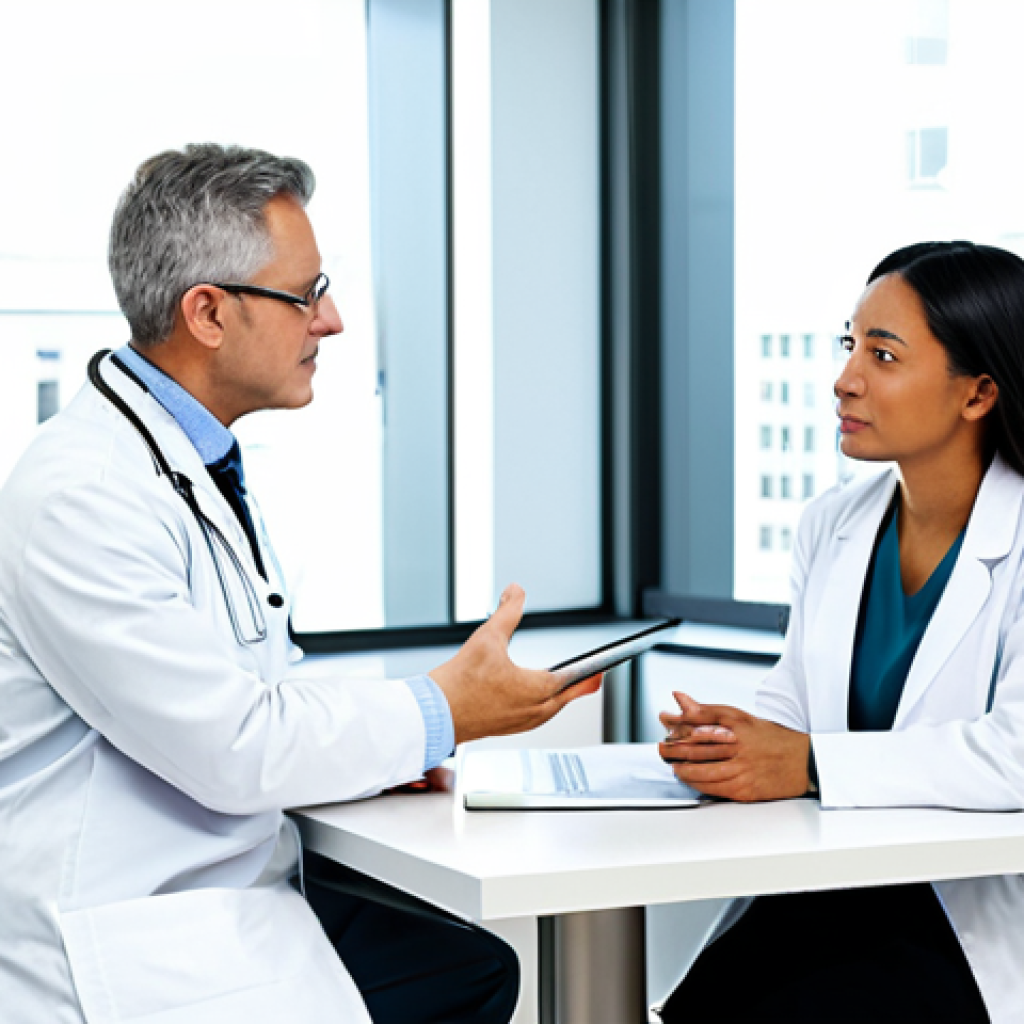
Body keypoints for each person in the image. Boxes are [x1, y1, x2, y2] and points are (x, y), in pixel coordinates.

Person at [0, 144, 599, 1024]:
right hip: (125, 932)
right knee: (461, 977)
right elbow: (234, 744)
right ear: (206, 312)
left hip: (216, 882)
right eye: (306, 293)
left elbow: (240, 694)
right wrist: (441, 710)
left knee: (469, 969)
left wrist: (384, 752)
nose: (333, 321)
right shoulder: (83, 497)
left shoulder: (188, 462)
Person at [656, 241, 1024, 1024]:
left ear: (979, 392)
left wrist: (808, 763)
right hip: (832, 889)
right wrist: (729, 744)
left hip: (963, 918)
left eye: (883, 355)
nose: (844, 377)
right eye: (848, 344)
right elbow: (795, 703)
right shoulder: (833, 523)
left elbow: (1015, 756)